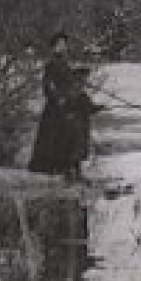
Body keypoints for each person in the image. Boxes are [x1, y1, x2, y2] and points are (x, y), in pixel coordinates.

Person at [28, 32, 94, 181]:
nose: (62, 47)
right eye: (59, 44)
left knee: (78, 130)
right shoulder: (51, 64)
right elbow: (48, 86)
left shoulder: (64, 63)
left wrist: (78, 75)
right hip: (56, 109)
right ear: (53, 47)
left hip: (67, 104)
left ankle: (74, 169)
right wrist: (59, 99)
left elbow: (68, 82)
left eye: (64, 44)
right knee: (63, 136)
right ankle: (65, 170)